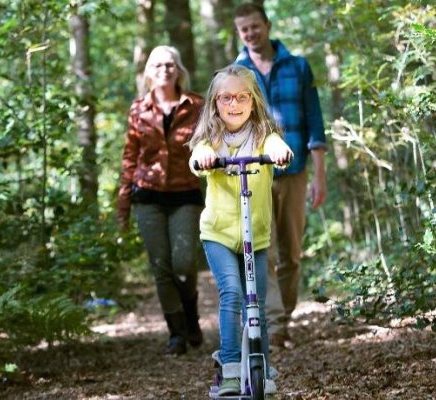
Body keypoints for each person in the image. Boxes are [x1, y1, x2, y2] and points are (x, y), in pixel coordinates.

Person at [188, 64, 292, 396]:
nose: (234, 103)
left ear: (254, 100)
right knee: (232, 294)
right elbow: (199, 152)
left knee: (256, 300)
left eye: (242, 96)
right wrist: (203, 158)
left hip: (256, 236)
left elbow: (277, 147)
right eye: (226, 97)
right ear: (215, 103)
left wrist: (278, 152)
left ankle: (263, 362)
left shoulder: (264, 136)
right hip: (218, 233)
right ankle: (231, 367)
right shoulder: (211, 138)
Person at [233, 3, 327, 350]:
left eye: (255, 26)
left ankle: (282, 322)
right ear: (239, 32)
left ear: (267, 25)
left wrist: (320, 176)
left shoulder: (298, 66)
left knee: (292, 253)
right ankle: (272, 325)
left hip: (295, 169)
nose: (250, 33)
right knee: (262, 250)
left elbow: (315, 123)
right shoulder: (236, 72)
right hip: (254, 173)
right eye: (244, 29)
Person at [117, 45, 205, 355]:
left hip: (185, 194)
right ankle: (177, 332)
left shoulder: (197, 106)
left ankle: (191, 315)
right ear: (149, 72)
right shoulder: (139, 109)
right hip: (147, 195)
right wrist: (123, 205)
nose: (165, 69)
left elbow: (212, 144)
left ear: (179, 69)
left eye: (170, 64)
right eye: (158, 65)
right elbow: (130, 157)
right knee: (161, 267)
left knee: (183, 263)